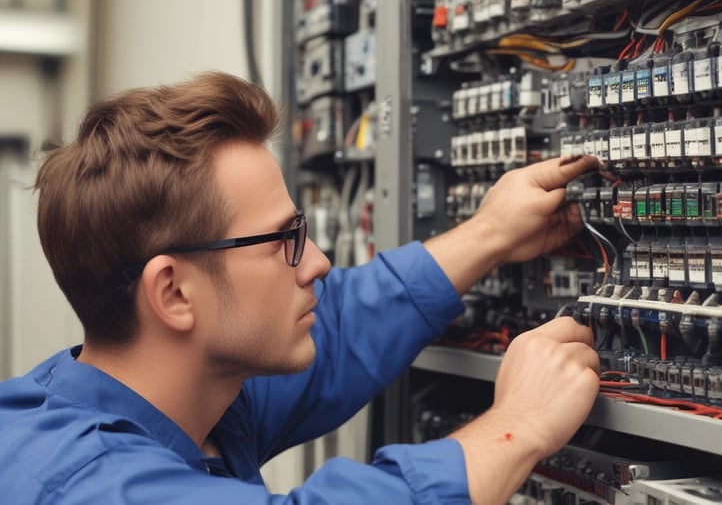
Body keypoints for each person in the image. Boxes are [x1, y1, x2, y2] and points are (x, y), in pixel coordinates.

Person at [0, 71, 600, 504]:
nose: (319, 263)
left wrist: (489, 234)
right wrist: (516, 424)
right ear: (174, 294)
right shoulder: (80, 483)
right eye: (283, 240)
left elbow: (339, 332)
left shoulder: (195, 402)